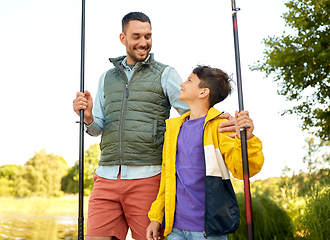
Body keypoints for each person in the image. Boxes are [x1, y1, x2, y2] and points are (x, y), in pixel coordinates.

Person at [73, 12, 236, 240]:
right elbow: (97, 127)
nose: (143, 42)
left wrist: (225, 122)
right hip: (106, 176)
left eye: (148, 36)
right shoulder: (106, 78)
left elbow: (196, 112)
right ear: (123, 38)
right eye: (136, 36)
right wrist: (88, 117)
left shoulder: (165, 74)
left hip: (148, 177)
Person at [146, 65, 265, 240]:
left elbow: (245, 170)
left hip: (207, 230)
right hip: (175, 229)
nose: (182, 84)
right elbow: (168, 178)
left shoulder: (221, 126)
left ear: (203, 92)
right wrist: (156, 217)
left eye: (189, 80)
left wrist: (245, 140)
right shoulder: (174, 129)